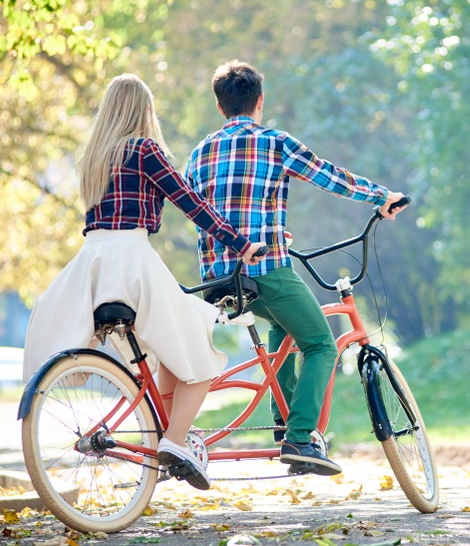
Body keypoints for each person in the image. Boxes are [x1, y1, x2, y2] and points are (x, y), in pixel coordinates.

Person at [22, 73, 265, 490]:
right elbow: (193, 204)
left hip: (92, 267)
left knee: (171, 352)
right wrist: (241, 245)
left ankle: (172, 437)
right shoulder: (145, 150)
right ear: (143, 110)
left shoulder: (94, 158)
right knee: (200, 355)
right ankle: (175, 444)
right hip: (131, 262)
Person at [184, 60, 406, 475]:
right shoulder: (275, 143)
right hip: (265, 270)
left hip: (216, 276)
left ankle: (284, 423)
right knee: (321, 343)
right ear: (260, 101)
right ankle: (301, 438)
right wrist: (382, 196)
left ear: (219, 107)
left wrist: (266, 234)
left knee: (283, 326)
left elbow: (200, 210)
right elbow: (330, 177)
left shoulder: (200, 151)